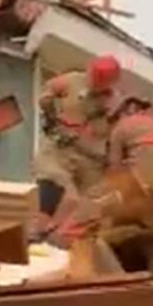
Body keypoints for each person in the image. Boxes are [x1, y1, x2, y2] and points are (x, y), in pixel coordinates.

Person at [34, 54, 123, 238]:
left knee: (94, 201)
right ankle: (43, 231)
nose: (94, 84)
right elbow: (47, 92)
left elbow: (114, 134)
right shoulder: (73, 80)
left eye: (100, 81)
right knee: (63, 190)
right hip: (59, 149)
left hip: (89, 157)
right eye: (93, 77)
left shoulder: (113, 102)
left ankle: (66, 237)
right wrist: (51, 115)